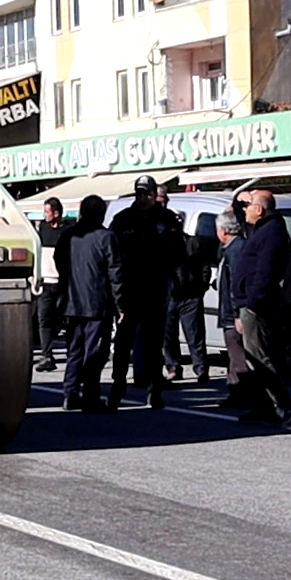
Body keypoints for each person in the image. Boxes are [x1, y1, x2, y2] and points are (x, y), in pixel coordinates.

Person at [108, 175, 183, 409]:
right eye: (139, 194)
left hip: (156, 290)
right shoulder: (122, 220)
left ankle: (154, 390)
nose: (143, 198)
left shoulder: (168, 219)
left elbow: (178, 253)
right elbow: (112, 256)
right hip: (129, 291)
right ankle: (117, 387)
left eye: (147, 194)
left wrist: (175, 282)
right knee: (123, 345)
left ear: (154, 195)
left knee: (153, 345)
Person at [229, 190, 291, 425]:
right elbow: (240, 218)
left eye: (250, 206)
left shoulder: (272, 233)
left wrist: (251, 305)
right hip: (252, 304)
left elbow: (266, 273)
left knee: (260, 356)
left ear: (260, 210)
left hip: (258, 306)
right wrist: (240, 199)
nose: (246, 209)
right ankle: (265, 406)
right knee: (256, 356)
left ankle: (283, 404)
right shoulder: (261, 229)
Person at [53, 195, 121, 413]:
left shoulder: (68, 235)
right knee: (93, 351)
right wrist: (121, 304)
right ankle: (90, 396)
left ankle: (70, 394)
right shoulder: (105, 237)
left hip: (72, 300)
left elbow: (58, 261)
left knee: (75, 350)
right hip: (97, 302)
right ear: (101, 213)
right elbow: (115, 273)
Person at [163, 191, 213, 385]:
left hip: (190, 295)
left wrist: (201, 288)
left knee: (195, 335)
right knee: (169, 336)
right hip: (169, 296)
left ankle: (201, 368)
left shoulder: (192, 242)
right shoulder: (163, 245)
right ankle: (173, 367)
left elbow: (204, 267)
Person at [212, 210, 250, 408]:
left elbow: (237, 283)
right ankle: (235, 391)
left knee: (237, 354)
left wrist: (237, 313)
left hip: (233, 312)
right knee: (233, 354)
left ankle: (243, 394)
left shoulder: (236, 250)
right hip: (228, 310)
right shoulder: (229, 248)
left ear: (224, 230)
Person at [31, 197, 68, 374]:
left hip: (62, 284)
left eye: (47, 211)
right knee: (43, 318)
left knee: (62, 319)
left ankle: (73, 352)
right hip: (46, 282)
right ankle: (47, 355)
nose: (45, 215)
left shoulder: (67, 232)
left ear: (57, 213)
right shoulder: (42, 229)